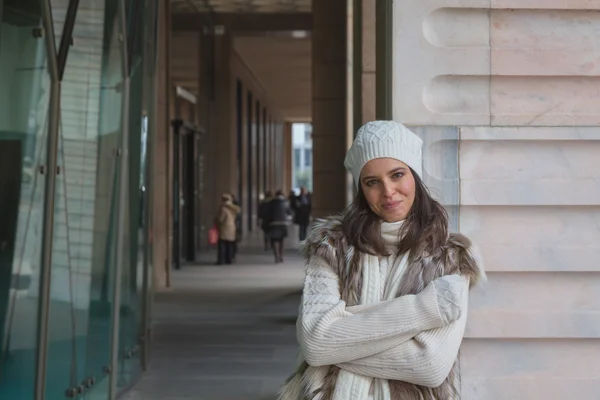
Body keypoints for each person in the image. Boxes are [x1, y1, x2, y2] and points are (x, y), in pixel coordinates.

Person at [279, 121, 486, 399]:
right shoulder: (331, 246)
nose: (388, 191)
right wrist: (425, 309)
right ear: (362, 189)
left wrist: (340, 338)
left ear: (414, 175)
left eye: (397, 174)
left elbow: (430, 366)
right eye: (372, 182)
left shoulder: (451, 256)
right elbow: (316, 343)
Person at [215, 193, 240, 265]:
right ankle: (229, 259)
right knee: (229, 244)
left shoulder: (223, 208)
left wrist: (217, 220)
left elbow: (221, 219)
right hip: (232, 227)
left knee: (222, 245)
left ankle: (221, 260)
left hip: (224, 228)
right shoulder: (233, 208)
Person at [267, 190, 291, 263]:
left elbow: (268, 213)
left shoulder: (271, 202)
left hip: (274, 223)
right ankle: (281, 256)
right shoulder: (286, 202)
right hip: (283, 223)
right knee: (281, 240)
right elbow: (289, 213)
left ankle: (276, 256)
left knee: (275, 240)